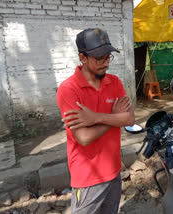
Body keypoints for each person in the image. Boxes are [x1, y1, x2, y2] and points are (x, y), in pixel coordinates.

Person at [56, 28, 135, 214]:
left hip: (114, 170)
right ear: (82, 58)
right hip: (87, 177)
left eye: (108, 57)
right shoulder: (69, 90)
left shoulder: (114, 82)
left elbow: (130, 119)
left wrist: (95, 117)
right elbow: (83, 137)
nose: (106, 63)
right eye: (100, 59)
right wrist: (114, 118)